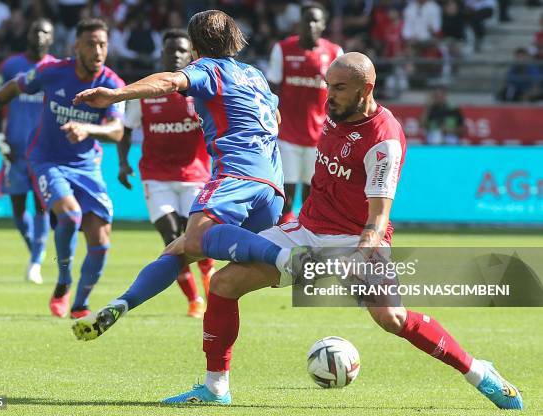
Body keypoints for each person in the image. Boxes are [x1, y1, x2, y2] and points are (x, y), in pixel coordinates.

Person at [158, 52, 523, 410]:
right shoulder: (333, 111)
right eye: (327, 85)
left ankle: (478, 372)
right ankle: (215, 387)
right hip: (305, 228)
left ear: (367, 89)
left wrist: (359, 255)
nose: (329, 95)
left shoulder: (384, 141)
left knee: (391, 318)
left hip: (356, 238)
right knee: (224, 285)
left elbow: (379, 217)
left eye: (339, 88)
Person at [71, 10, 283, 338]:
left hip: (236, 177)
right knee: (183, 254)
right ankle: (122, 304)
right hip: (271, 187)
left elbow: (171, 80)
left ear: (196, 45)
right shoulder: (255, 75)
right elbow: (276, 116)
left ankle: (287, 257)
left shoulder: (207, 68)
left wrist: (115, 95)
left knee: (196, 238)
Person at [0, 18, 125, 319]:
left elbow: (116, 130)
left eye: (102, 44)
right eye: (91, 43)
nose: (98, 50)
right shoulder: (53, 71)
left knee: (100, 243)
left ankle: (79, 304)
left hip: (87, 166)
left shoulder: (112, 84)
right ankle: (63, 281)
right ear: (76, 46)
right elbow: (9, 89)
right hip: (46, 160)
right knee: (70, 215)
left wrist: (89, 129)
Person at [118, 29, 215, 318]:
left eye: (181, 50)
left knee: (196, 240)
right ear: (161, 54)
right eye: (170, 50)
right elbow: (125, 130)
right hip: (156, 176)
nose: (175, 55)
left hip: (195, 177)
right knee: (170, 236)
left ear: (191, 55)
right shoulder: (146, 91)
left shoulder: (201, 91)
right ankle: (194, 299)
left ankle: (208, 275)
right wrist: (123, 163)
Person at [266, 2, 343, 224]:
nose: (310, 24)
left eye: (316, 20)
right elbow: (272, 90)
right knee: (286, 197)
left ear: (324, 24)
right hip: (288, 136)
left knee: (313, 197)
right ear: (299, 23)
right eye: (306, 20)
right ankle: (283, 249)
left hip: (320, 138)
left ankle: (308, 244)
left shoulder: (334, 52)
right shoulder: (283, 49)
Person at [0, 18, 55, 284]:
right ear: (27, 34)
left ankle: (36, 262)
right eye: (35, 30)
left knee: (42, 208)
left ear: (51, 38)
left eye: (45, 32)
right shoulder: (11, 66)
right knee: (18, 210)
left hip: (44, 153)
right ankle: (36, 253)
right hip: (15, 151)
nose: (40, 35)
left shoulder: (55, 68)